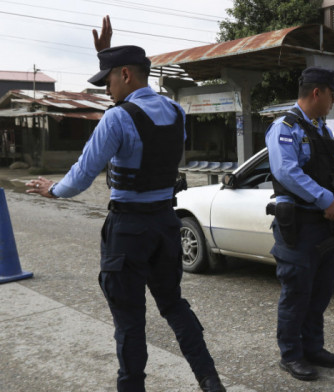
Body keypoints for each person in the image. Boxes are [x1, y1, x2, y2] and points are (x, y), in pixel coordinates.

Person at [26, 16, 225, 392]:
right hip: (166, 225)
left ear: (126, 76)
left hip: (128, 231)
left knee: (130, 322)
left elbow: (81, 176)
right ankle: (210, 381)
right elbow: (149, 135)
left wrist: (53, 189)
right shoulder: (176, 112)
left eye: (109, 81)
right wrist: (106, 57)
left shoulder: (116, 119)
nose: (107, 91)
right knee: (174, 306)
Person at [265, 66, 334, 381]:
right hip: (299, 226)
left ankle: (313, 348)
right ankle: (291, 355)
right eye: (332, 95)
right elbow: (287, 171)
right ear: (317, 92)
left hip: (324, 225)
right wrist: (324, 199)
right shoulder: (284, 128)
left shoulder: (321, 129)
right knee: (297, 293)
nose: (333, 102)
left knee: (321, 290)